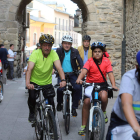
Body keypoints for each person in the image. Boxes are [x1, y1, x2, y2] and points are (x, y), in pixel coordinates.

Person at [76, 42, 118, 136]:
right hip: (90, 84)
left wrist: (113, 85)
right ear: (92, 52)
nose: (97, 53)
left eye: (99, 51)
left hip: (102, 84)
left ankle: (103, 111)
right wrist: (79, 79)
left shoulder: (106, 61)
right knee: (86, 102)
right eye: (95, 51)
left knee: (104, 96)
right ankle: (83, 126)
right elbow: (84, 71)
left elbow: (110, 73)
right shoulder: (89, 61)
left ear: (103, 52)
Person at [26, 34, 66, 123]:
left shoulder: (53, 53)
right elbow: (29, 69)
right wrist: (28, 83)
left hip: (47, 83)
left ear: (51, 46)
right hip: (34, 82)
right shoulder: (35, 53)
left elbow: (59, 68)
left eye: (49, 45)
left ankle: (52, 126)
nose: (47, 48)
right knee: (32, 97)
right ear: (40, 45)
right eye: (45, 45)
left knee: (51, 103)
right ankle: (32, 113)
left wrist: (63, 80)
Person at [106, 51, 140, 140]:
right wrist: (137, 128)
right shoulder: (129, 78)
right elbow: (126, 104)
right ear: (137, 68)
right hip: (122, 122)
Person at [55, 35, 83, 117]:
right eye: (65, 43)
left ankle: (74, 108)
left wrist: (82, 68)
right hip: (61, 74)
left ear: (71, 45)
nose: (67, 45)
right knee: (60, 89)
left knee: (77, 88)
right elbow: (55, 61)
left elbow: (80, 61)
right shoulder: (58, 51)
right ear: (62, 44)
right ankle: (59, 103)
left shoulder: (75, 51)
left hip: (72, 73)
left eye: (69, 44)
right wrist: (54, 69)